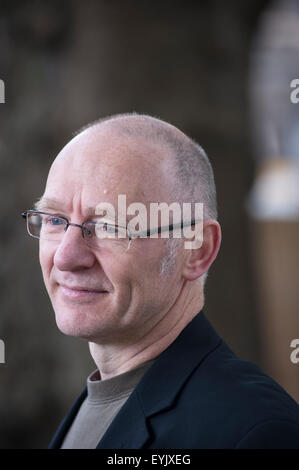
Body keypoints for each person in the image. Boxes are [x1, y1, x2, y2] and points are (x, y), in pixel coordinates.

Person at [22, 113, 299, 449]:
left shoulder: (256, 431)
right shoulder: (97, 402)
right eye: (54, 219)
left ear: (197, 250)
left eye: (109, 226)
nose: (66, 257)